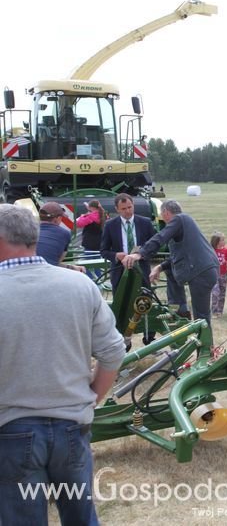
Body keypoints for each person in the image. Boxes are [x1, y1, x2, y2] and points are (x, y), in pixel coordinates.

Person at [0, 204, 125, 526]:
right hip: (72, 423)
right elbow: (113, 351)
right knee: (81, 517)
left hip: (12, 428)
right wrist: (91, 397)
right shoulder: (79, 285)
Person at [121, 200, 219, 339]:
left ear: (166, 212)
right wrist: (160, 267)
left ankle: (205, 353)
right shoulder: (184, 222)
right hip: (204, 270)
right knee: (201, 315)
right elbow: (179, 255)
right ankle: (180, 310)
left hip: (201, 272)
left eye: (162, 215)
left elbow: (161, 237)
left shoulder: (179, 219)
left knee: (201, 318)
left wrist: (140, 253)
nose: (163, 219)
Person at [99, 193, 156, 293]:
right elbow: (104, 251)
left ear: (133, 205)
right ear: (117, 209)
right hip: (119, 272)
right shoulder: (110, 225)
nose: (128, 211)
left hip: (141, 270)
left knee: (143, 303)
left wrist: (141, 255)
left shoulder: (146, 223)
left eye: (130, 207)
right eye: (123, 209)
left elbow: (154, 247)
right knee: (121, 304)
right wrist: (116, 255)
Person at [35, 201, 83, 273]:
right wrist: (72, 267)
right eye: (61, 218)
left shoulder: (30, 230)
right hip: (48, 273)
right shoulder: (65, 233)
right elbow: (56, 263)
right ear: (57, 218)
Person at [75, 199, 105, 277]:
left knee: (88, 263)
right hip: (99, 243)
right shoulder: (103, 215)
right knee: (97, 263)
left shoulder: (90, 216)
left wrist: (82, 216)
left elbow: (78, 224)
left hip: (89, 243)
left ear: (91, 207)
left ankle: (90, 279)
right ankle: (99, 279)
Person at [210, 231, 227, 318]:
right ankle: (214, 311)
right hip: (214, 275)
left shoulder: (226, 250)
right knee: (215, 292)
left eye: (224, 240)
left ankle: (220, 311)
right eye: (222, 240)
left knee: (222, 293)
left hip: (224, 275)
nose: (224, 241)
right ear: (216, 242)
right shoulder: (211, 250)